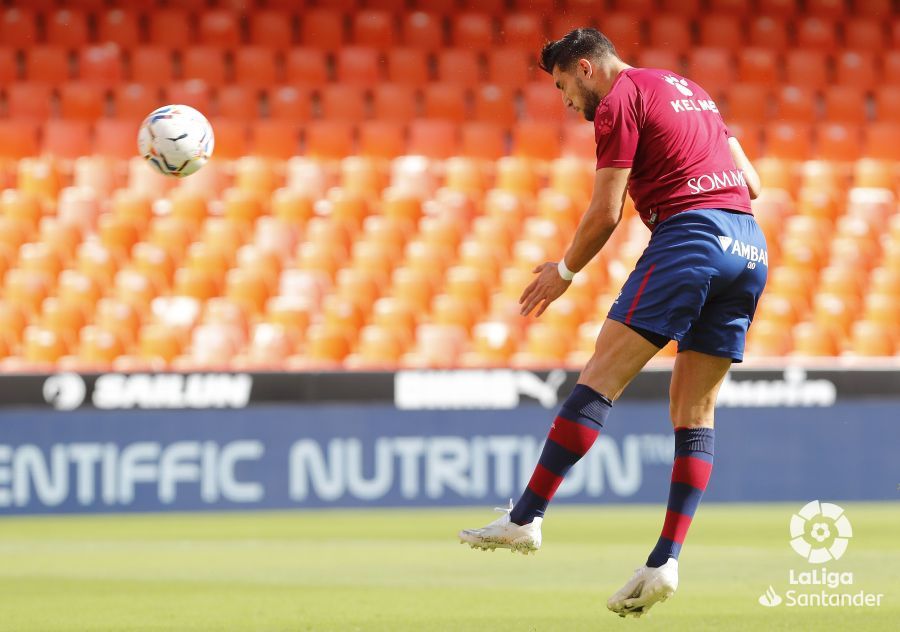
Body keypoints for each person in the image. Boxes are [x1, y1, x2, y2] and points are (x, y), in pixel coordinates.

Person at [458, 28, 766, 619]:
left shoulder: (622, 96)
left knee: (599, 377)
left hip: (692, 237)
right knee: (695, 411)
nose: (566, 103)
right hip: (748, 247)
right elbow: (752, 184)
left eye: (563, 87)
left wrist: (564, 271)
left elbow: (605, 210)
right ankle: (665, 560)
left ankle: (525, 518)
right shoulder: (691, 90)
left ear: (586, 68)